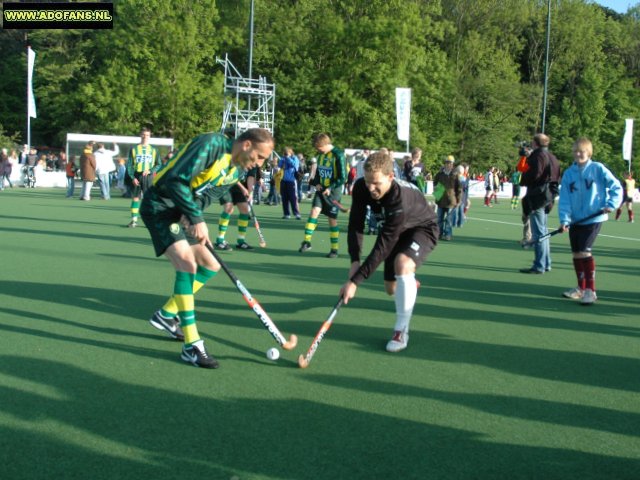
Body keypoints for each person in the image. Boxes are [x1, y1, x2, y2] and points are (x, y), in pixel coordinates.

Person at [141, 128, 274, 368]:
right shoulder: (212, 144)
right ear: (246, 145)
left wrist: (192, 215)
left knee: (210, 263)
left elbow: (204, 196)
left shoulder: (235, 172)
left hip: (179, 210)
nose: (259, 164)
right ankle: (192, 345)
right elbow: (176, 179)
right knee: (187, 264)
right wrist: (196, 218)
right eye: (260, 156)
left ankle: (166, 314)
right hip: (159, 205)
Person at [339, 151, 439, 352]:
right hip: (396, 231)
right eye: (367, 181)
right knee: (390, 289)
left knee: (402, 264)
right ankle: (409, 282)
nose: (371, 188)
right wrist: (354, 262)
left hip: (422, 228)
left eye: (376, 183)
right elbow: (355, 225)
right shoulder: (361, 188)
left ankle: (401, 331)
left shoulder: (399, 198)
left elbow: (383, 246)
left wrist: (355, 281)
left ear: (390, 177)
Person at [557, 138, 622, 305]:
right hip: (575, 220)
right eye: (575, 151)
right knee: (577, 253)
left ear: (589, 153)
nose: (578, 154)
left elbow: (616, 187)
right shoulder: (569, 174)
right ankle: (580, 288)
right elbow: (564, 198)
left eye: (582, 151)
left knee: (585, 252)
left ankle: (590, 291)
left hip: (594, 218)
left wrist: (611, 204)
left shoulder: (597, 169)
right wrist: (564, 219)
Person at [298, 133, 347, 258]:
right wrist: (317, 183)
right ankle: (307, 242)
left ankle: (334, 249)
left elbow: (343, 177)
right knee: (314, 211)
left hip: (334, 191)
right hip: (321, 191)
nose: (317, 150)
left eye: (319, 147)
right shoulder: (320, 156)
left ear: (325, 144)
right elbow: (319, 174)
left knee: (332, 220)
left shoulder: (338, 155)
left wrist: (330, 187)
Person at [519, 133, 561, 274]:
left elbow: (534, 174)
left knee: (539, 234)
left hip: (538, 196)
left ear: (535, 143)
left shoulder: (538, 156)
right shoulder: (552, 157)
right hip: (548, 196)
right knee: (543, 232)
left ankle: (539, 265)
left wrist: (524, 176)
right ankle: (546, 263)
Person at [214, 168, 257, 251]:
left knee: (245, 209)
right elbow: (231, 176)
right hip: (225, 184)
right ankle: (220, 240)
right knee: (229, 208)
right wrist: (243, 189)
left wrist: (250, 192)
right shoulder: (238, 156)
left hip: (238, 187)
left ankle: (241, 241)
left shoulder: (254, 162)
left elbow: (250, 177)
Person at [126, 127, 159, 227]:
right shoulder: (134, 149)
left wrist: (150, 170)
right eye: (143, 135)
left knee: (149, 199)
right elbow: (130, 165)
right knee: (136, 198)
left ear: (150, 136)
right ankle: (134, 220)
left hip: (148, 177)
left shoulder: (154, 150)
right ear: (140, 135)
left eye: (147, 135)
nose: (145, 137)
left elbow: (158, 164)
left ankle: (152, 221)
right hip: (137, 176)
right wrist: (132, 177)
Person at [433, 156, 461, 241]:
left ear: (452, 165)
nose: (449, 165)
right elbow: (435, 185)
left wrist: (459, 200)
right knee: (439, 219)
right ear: (445, 164)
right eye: (447, 163)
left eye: (450, 163)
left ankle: (448, 234)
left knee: (449, 220)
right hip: (440, 200)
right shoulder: (439, 174)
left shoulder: (456, 175)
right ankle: (439, 234)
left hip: (451, 201)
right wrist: (437, 195)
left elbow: (459, 189)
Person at [279, 147, 301, 219]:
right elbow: (279, 165)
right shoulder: (283, 158)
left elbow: (295, 165)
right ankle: (286, 214)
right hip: (284, 180)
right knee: (284, 198)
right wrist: (283, 159)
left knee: (293, 198)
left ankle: (297, 214)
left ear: (290, 152)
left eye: (286, 152)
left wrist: (288, 158)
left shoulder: (295, 158)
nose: (285, 154)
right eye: (284, 153)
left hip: (292, 181)